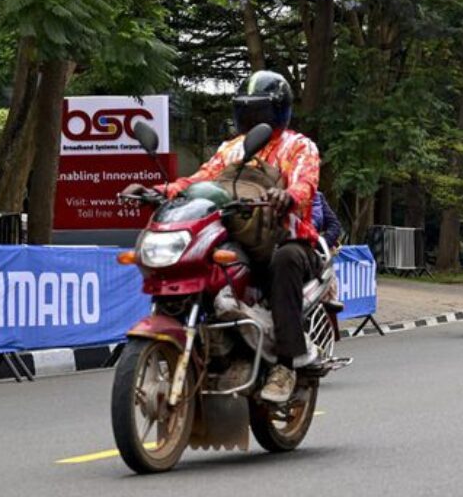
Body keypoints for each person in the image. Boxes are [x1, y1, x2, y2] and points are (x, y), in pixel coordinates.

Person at [122, 70, 320, 404]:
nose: (252, 119)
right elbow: (199, 181)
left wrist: (288, 195)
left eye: (260, 112)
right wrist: (157, 191)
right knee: (204, 259)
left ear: (278, 112)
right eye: (246, 111)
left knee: (285, 261)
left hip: (286, 239)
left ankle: (285, 366)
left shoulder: (298, 146)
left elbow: (306, 183)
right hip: (239, 235)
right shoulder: (231, 149)